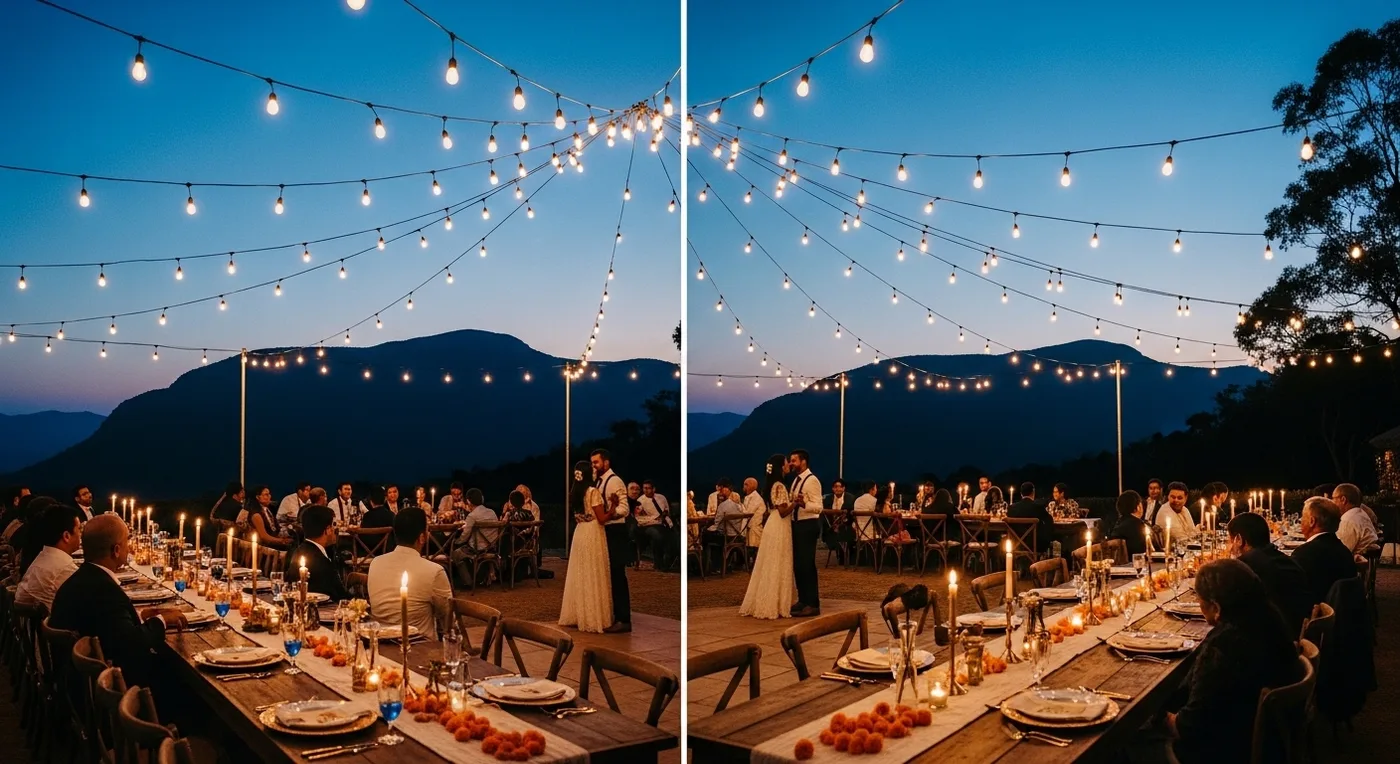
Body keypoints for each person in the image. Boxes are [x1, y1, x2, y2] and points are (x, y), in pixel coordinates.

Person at [1165, 559, 1300, 763]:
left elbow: (1189, 727)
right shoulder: (1270, 617)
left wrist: (1153, 717)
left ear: (1216, 607)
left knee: (1134, 740)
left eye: (1200, 602)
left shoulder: (1225, 647)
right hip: (1271, 737)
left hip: (1227, 750)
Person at [50, 515, 188, 693]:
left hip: (78, 681)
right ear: (116, 550)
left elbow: (110, 626)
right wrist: (162, 620)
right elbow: (131, 643)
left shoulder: (85, 577)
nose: (129, 547)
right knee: (182, 679)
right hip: (115, 690)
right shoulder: (103, 590)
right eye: (127, 542)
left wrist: (142, 615)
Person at [367, 508, 452, 639]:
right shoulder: (434, 571)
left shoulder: (375, 563)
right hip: (420, 647)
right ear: (422, 537)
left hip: (380, 644)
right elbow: (448, 618)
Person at [1226, 512, 1311, 631]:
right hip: (1294, 630)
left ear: (1239, 539)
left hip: (1273, 638)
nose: (1229, 547)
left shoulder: (1244, 566)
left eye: (1229, 541)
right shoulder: (1285, 559)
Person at [740, 455, 798, 619]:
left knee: (770, 562)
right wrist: (796, 503)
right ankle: (774, 603)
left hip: (772, 524)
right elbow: (782, 511)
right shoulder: (779, 486)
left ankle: (769, 601)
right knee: (777, 561)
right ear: (781, 467)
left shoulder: (771, 485)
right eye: (787, 463)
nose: (789, 466)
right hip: (779, 524)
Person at [559, 462, 613, 633]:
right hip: (592, 532)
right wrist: (613, 506)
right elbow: (602, 518)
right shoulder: (592, 491)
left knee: (580, 573)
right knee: (593, 571)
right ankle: (593, 617)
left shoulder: (575, 493)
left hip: (580, 531)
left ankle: (577, 613)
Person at [1290, 496, 1358, 609]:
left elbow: (1294, 592)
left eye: (1303, 517)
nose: (1301, 520)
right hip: (1342, 615)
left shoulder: (1304, 554)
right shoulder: (1344, 551)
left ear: (1312, 521)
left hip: (1316, 617)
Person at [592, 449, 632, 633]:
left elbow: (625, 509)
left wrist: (608, 514)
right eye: (592, 463)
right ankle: (612, 613)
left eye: (596, 462)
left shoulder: (614, 481)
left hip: (615, 530)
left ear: (606, 463)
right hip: (603, 530)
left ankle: (624, 619)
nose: (594, 466)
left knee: (617, 574)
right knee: (607, 574)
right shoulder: (597, 482)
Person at [15, 503, 82, 609]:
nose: (81, 534)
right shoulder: (64, 569)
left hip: (29, 623)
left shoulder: (44, 557)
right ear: (66, 536)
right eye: (79, 529)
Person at [287, 505, 350, 603]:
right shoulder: (320, 561)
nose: (335, 529)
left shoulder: (299, 550)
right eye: (334, 525)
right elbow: (339, 597)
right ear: (328, 529)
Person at [788, 449, 823, 617]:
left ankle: (813, 603)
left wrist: (803, 505)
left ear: (803, 461)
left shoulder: (812, 481)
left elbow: (818, 507)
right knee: (798, 564)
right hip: (797, 525)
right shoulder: (796, 480)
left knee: (807, 564)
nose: (791, 463)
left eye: (794, 460)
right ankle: (802, 599)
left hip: (808, 525)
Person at [704, 479, 745, 570]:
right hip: (737, 534)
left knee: (706, 536)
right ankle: (722, 564)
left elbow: (717, 524)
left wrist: (709, 529)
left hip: (726, 536)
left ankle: (711, 566)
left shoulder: (723, 506)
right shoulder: (739, 506)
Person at [1332, 483, 1379, 555]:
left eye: (1333, 498)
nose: (1332, 502)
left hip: (1355, 565)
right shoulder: (1360, 514)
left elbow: (1339, 553)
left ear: (1343, 499)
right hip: (1368, 562)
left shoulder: (1348, 520)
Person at [1007, 482, 1055, 553]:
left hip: (1015, 544)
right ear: (1033, 492)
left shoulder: (1011, 508)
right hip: (1035, 544)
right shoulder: (1038, 507)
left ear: (1021, 494)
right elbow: (1049, 520)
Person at [634, 480, 671, 570]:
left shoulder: (661, 497)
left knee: (671, 536)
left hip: (664, 523)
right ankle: (659, 562)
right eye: (644, 488)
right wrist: (653, 519)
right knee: (656, 535)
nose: (646, 490)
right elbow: (639, 517)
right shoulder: (640, 501)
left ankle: (668, 561)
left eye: (648, 488)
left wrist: (664, 515)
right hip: (649, 525)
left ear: (653, 489)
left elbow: (666, 509)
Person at [1107, 490, 1150, 556]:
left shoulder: (1118, 523)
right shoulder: (1138, 524)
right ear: (1138, 507)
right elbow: (1145, 550)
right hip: (1135, 561)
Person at [821, 478, 853, 564]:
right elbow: (824, 516)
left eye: (840, 487)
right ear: (832, 488)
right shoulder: (827, 499)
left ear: (844, 488)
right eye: (835, 487)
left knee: (845, 532)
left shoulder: (850, 499)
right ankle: (840, 555)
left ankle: (845, 558)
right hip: (831, 529)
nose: (838, 489)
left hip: (846, 527)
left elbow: (851, 516)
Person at [740, 477, 766, 563]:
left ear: (750, 486)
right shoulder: (749, 497)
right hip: (748, 526)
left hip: (754, 527)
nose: (743, 487)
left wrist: (738, 505)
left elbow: (748, 513)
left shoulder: (756, 498)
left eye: (745, 485)